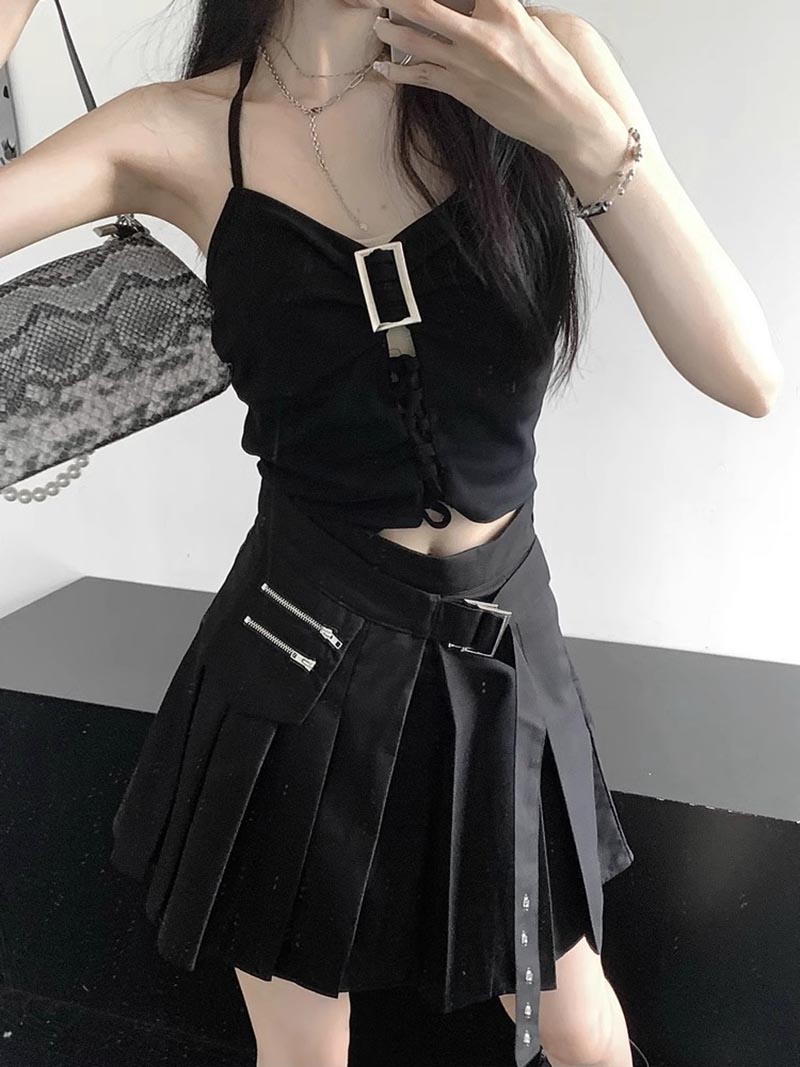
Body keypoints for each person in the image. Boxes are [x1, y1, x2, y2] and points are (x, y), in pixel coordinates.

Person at [0, 1, 782, 1066]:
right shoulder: (174, 130)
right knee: (304, 1045)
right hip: (297, 648)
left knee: (571, 1015)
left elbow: (746, 376)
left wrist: (580, 135)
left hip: (501, 639)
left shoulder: (536, 58)